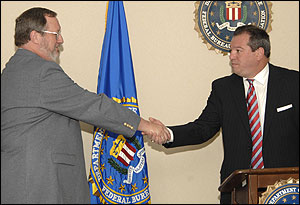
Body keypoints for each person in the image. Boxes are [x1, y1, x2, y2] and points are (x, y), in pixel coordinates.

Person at [1, 7, 170, 204]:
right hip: (39, 188)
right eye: (56, 34)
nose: (60, 40)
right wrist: (146, 126)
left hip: (23, 185)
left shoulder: (12, 70)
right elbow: (92, 106)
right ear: (35, 36)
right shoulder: (40, 71)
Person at [149, 25, 299, 204]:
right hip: (237, 189)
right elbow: (202, 129)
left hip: (286, 188)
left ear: (258, 53)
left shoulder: (293, 83)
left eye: (238, 51)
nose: (231, 56)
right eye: (230, 51)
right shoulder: (223, 88)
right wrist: (167, 133)